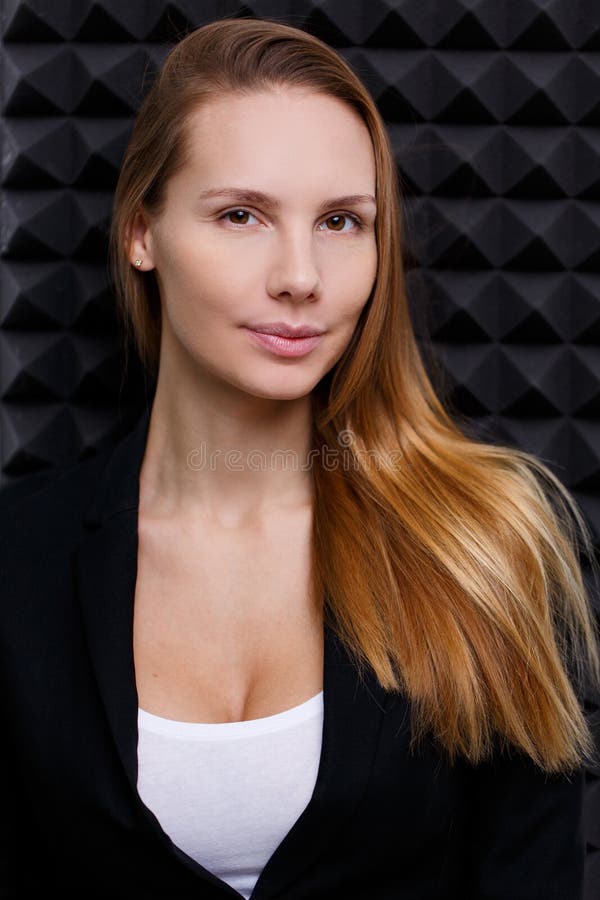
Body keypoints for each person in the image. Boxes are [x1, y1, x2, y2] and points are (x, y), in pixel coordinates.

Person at [1, 16, 599, 900]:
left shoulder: (483, 546)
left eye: (341, 222)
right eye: (242, 215)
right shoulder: (17, 558)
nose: (301, 275)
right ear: (141, 231)